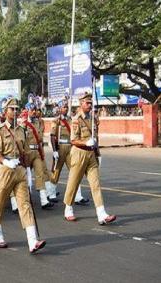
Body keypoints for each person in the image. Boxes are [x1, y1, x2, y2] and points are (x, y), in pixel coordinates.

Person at [0, 97, 46, 253]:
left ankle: (32, 240)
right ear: (5, 111)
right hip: (6, 170)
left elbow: (26, 153)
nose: (15, 111)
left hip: (20, 170)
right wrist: (7, 163)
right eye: (11, 109)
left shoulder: (23, 130)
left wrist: (27, 171)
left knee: (25, 204)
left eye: (16, 109)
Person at [63, 93, 116, 225]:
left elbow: (95, 138)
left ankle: (101, 214)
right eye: (87, 103)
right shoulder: (76, 119)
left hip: (91, 154)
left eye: (91, 103)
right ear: (81, 104)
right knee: (74, 183)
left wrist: (98, 153)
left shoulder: (93, 118)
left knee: (95, 184)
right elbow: (73, 140)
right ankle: (68, 208)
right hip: (79, 153)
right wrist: (86, 143)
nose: (90, 105)